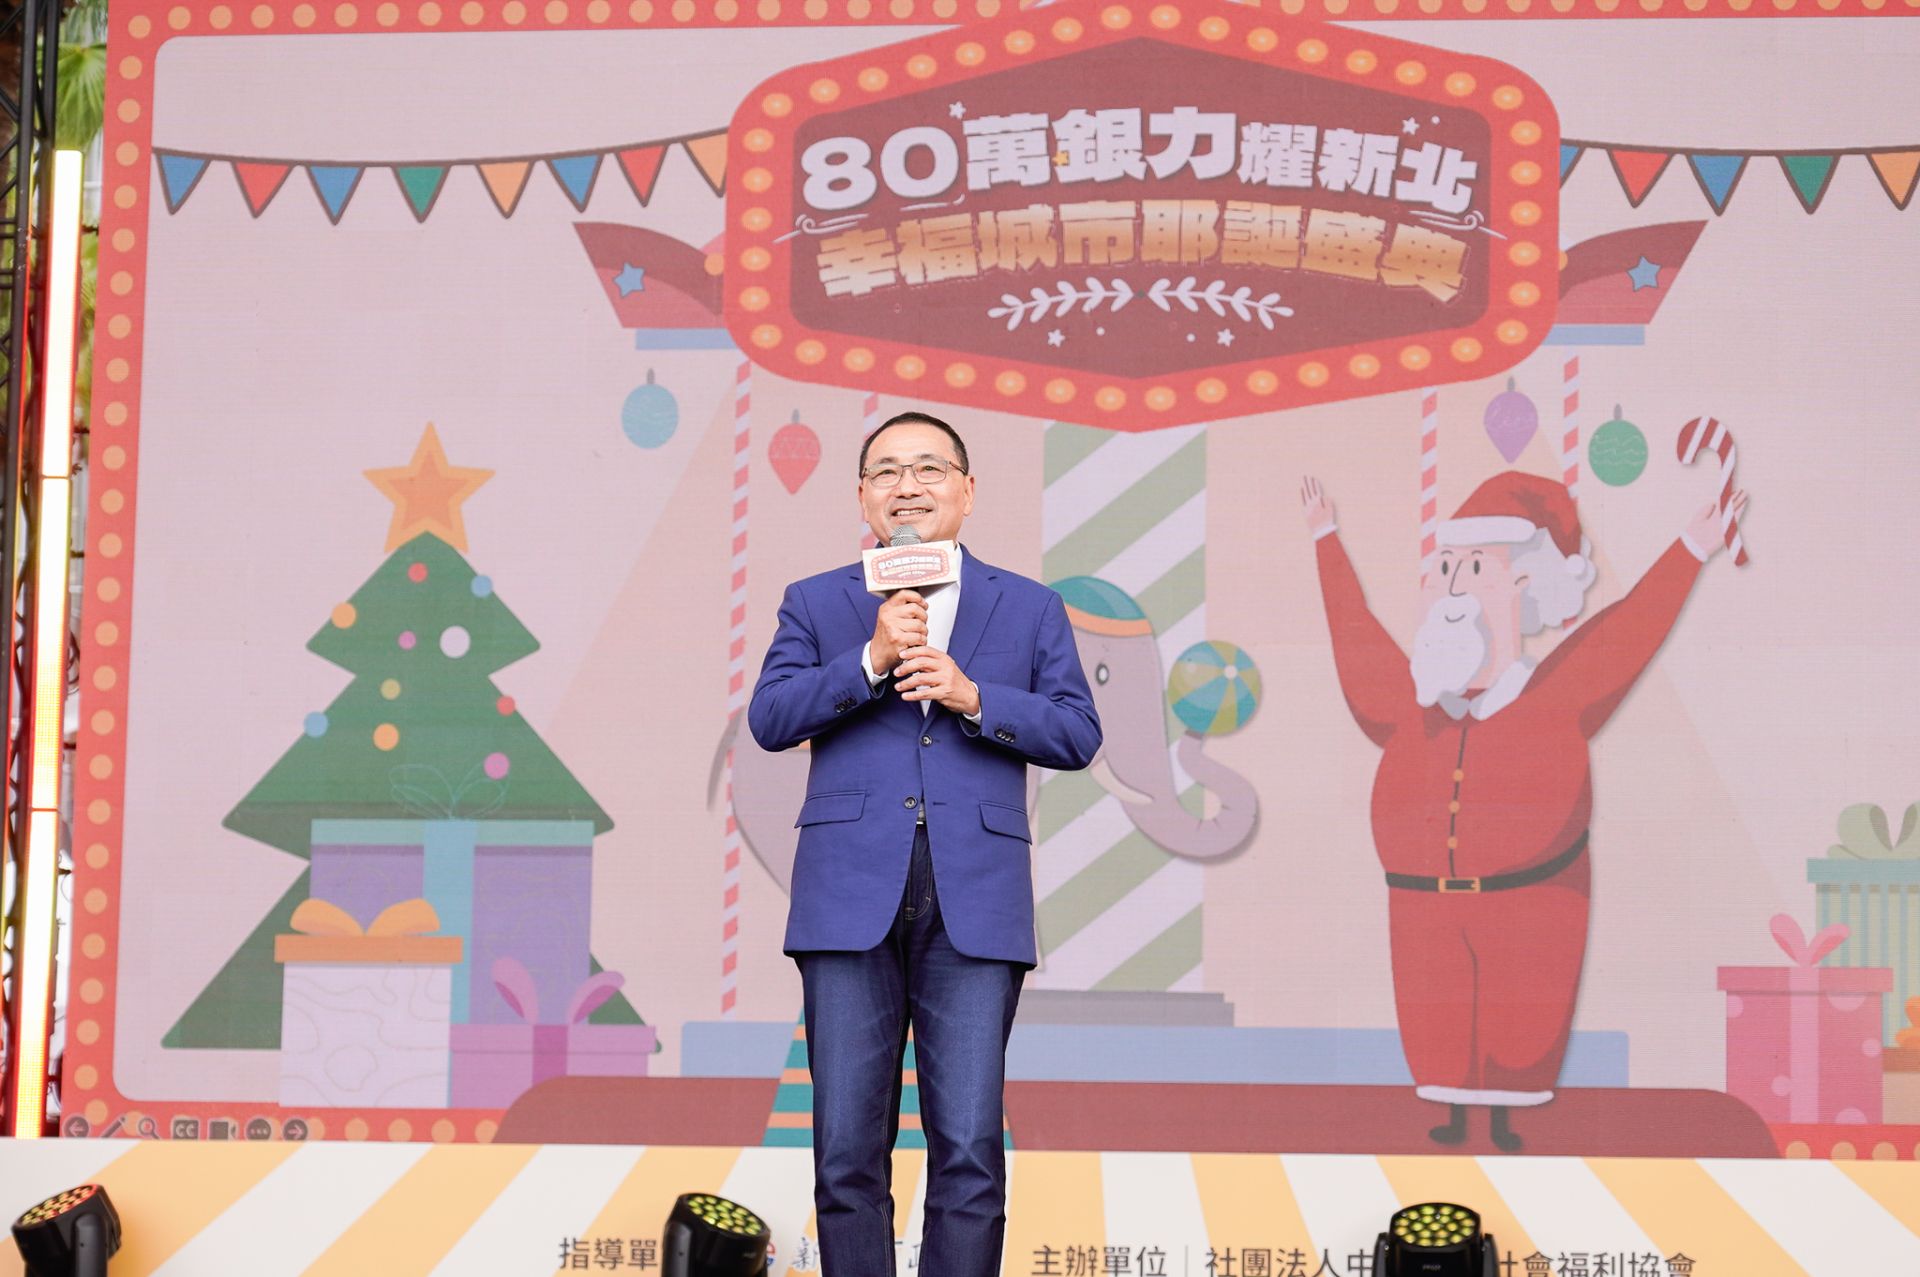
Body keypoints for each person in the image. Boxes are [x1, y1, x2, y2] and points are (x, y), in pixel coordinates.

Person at [1301, 470, 1748, 1151]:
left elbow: (1632, 627)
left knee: (1521, 1026)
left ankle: (1508, 1116)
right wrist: (1326, 539)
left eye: (1475, 568)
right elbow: (1353, 632)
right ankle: (1454, 1111)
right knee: (1437, 1025)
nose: (1452, 587)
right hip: (1421, 907)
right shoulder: (1409, 702)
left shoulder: (1557, 695)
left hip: (1533, 905)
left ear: (1523, 587)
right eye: (1444, 569)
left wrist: (1691, 546)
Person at [749, 411, 1102, 1275]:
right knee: (845, 1149)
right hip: (846, 896)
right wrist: (869, 661)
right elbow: (770, 717)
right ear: (862, 497)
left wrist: (976, 697)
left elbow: (1078, 732)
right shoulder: (817, 600)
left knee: (970, 1148)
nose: (907, 486)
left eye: (929, 469)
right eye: (887, 472)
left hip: (976, 898)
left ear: (968, 492)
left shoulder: (1029, 605)